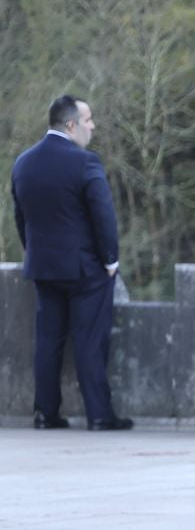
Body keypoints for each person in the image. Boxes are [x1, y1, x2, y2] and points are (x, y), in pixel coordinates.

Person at [10, 94, 130, 430]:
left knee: (48, 341)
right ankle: (99, 416)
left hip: (44, 267)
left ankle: (45, 414)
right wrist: (110, 260)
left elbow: (22, 218)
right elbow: (103, 217)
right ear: (71, 124)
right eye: (89, 120)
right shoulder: (85, 162)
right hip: (85, 269)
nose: (93, 127)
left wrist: (34, 252)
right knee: (90, 340)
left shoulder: (23, 162)